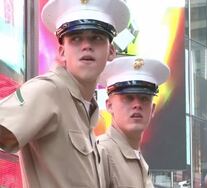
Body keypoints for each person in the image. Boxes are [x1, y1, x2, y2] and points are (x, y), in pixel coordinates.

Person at [0, 0, 130, 187]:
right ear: (62, 52)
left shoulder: (89, 111)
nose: (86, 46)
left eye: (97, 38)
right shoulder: (49, 90)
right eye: (76, 38)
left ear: (111, 51)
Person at [97, 56, 170, 188]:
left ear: (152, 109)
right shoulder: (100, 153)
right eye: (128, 98)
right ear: (109, 106)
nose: (137, 105)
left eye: (144, 99)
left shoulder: (139, 160)